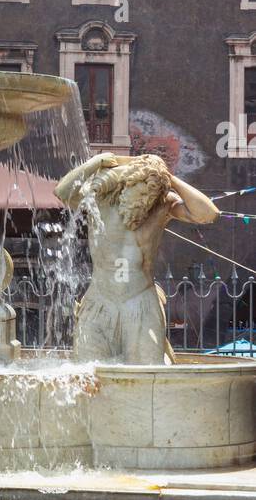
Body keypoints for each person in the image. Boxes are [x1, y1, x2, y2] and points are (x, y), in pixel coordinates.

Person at [54, 152, 219, 364]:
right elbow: (63, 192)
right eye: (142, 192)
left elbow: (208, 214)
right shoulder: (101, 199)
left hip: (140, 301)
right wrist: (96, 162)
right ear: (128, 182)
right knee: (88, 374)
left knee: (146, 375)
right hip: (99, 300)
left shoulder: (162, 203)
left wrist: (170, 178)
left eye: (151, 196)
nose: (145, 201)